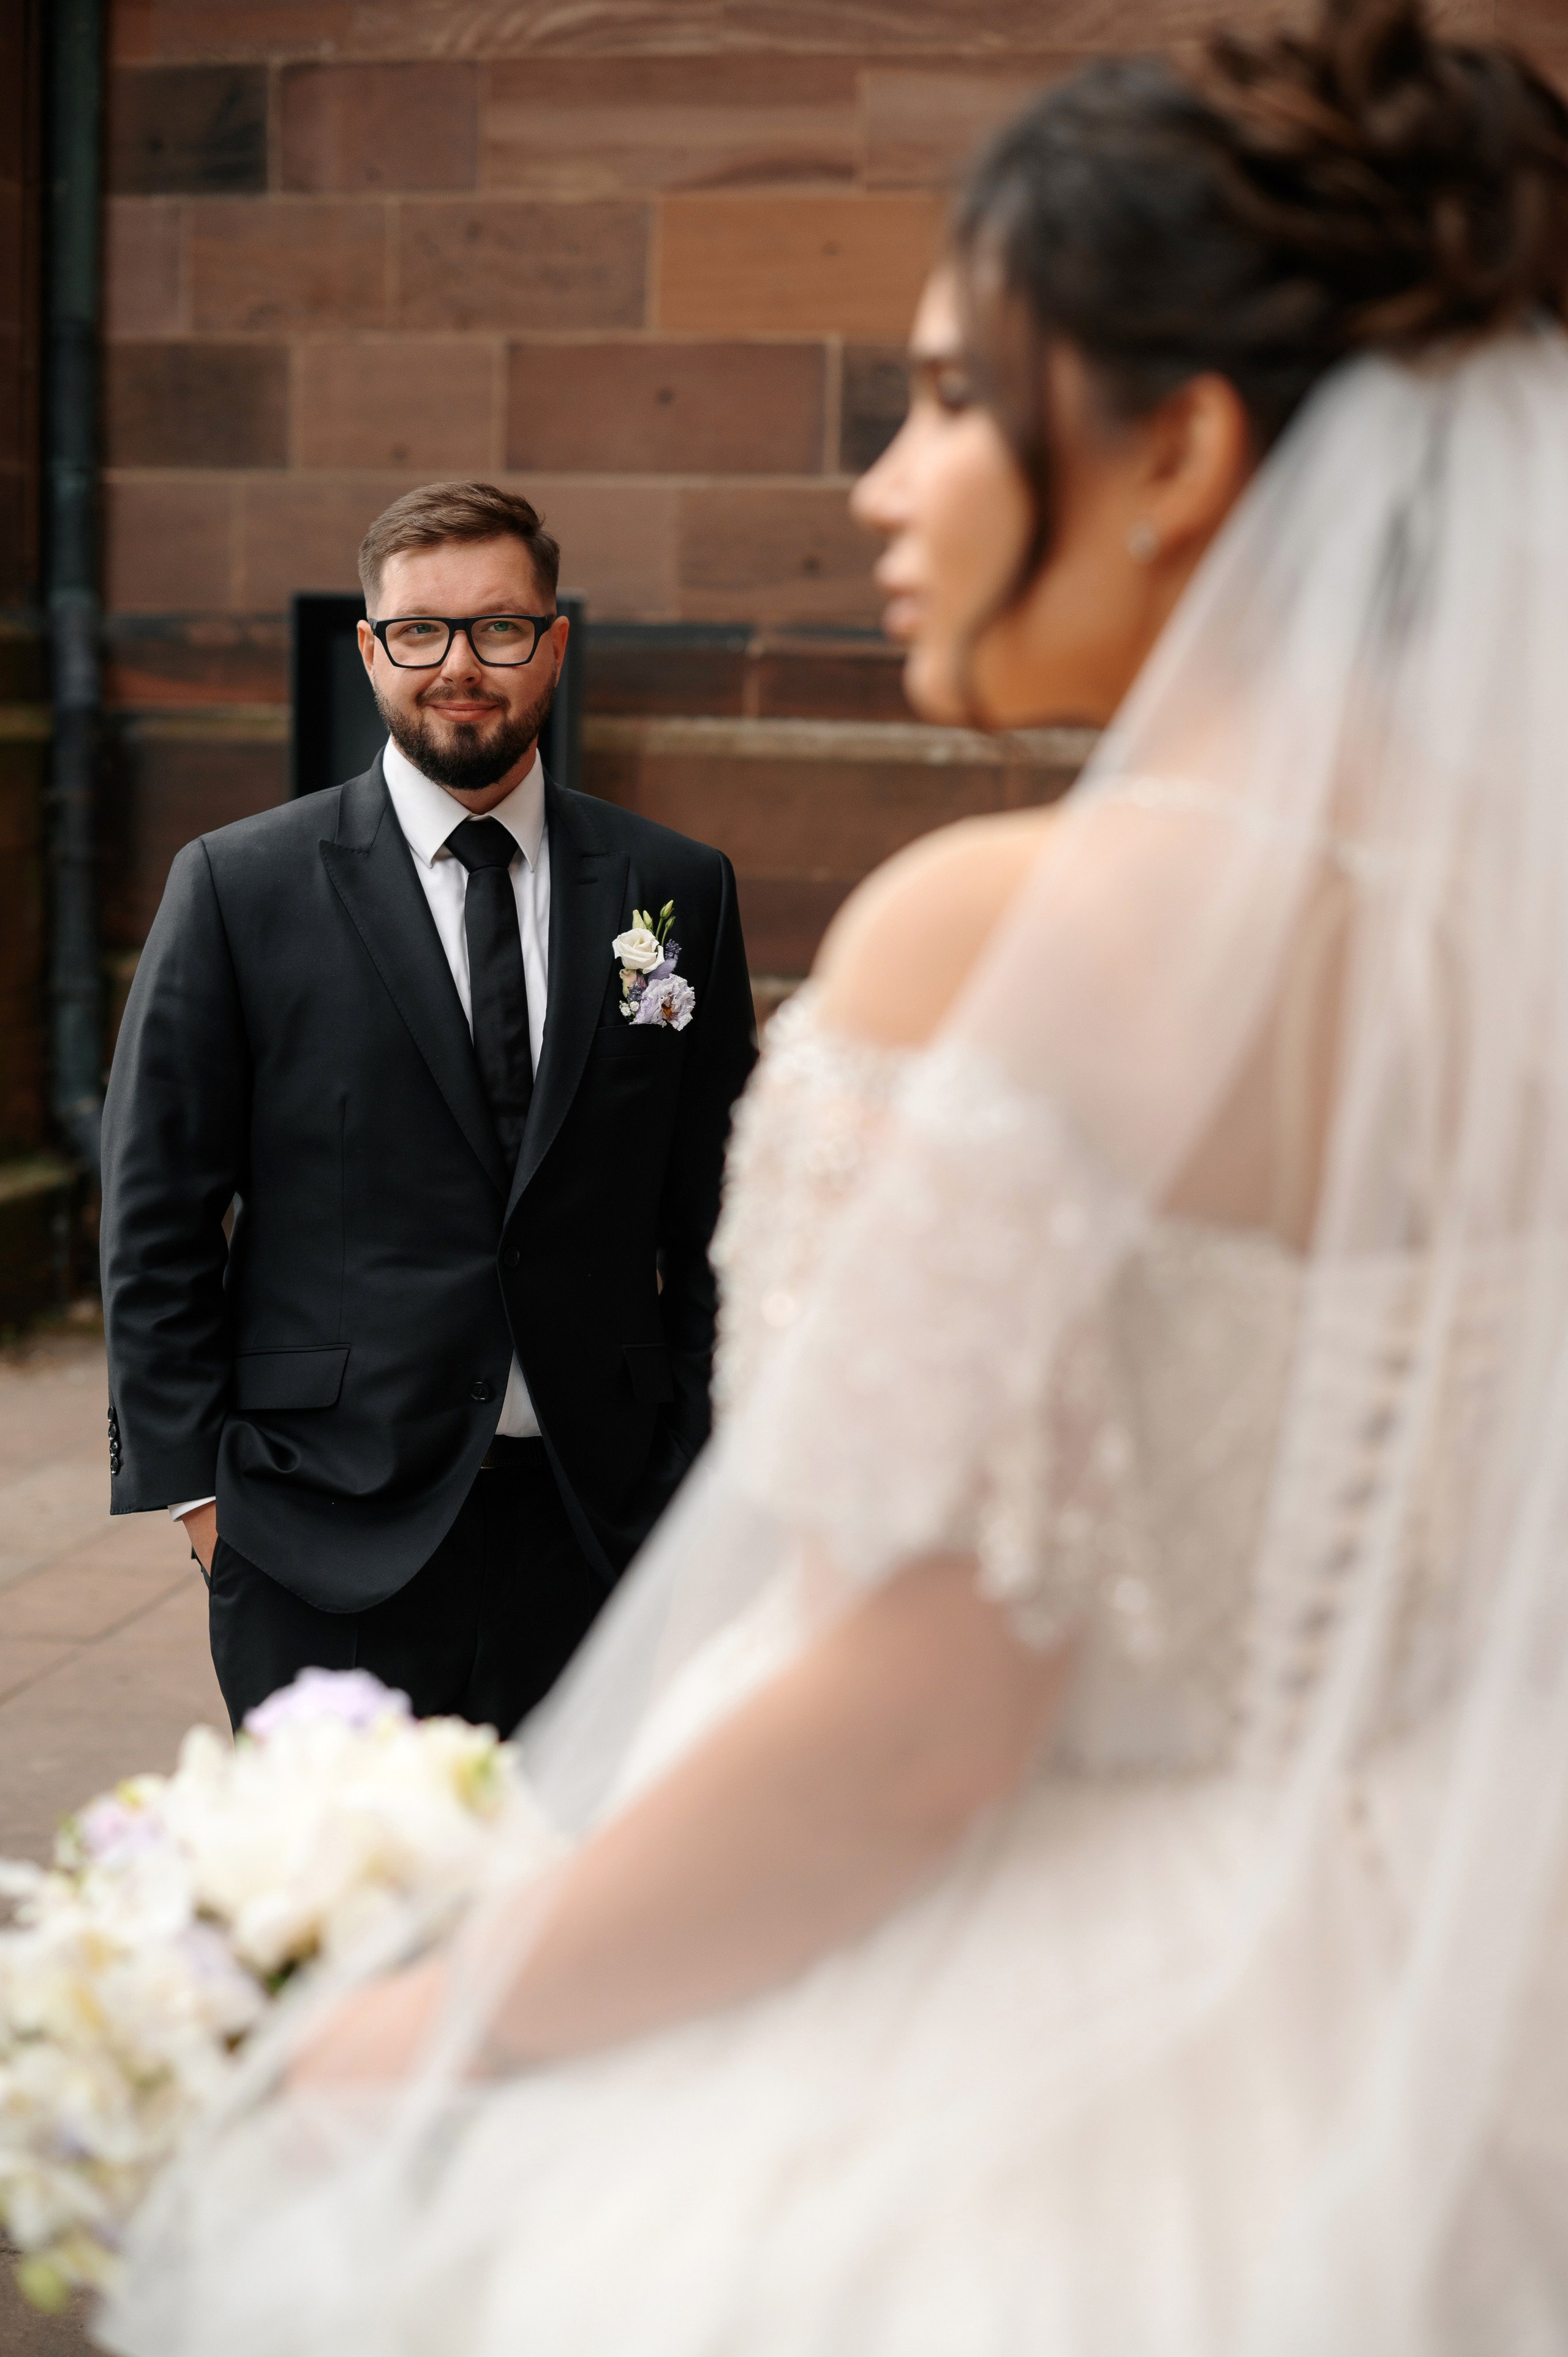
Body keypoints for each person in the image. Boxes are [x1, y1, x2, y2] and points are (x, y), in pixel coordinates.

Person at [100, 3, 1568, 2350]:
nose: (885, 485)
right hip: (1464, 1987)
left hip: (1080, 2035)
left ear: (1180, 445)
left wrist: (418, 2014)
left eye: (960, 398)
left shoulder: (1021, 927)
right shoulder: (1513, 944)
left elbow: (903, 1734)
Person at [99, 481, 756, 1733]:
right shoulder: (239, 888)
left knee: (566, 1912)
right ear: (369, 647)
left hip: (600, 1519)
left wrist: (695, 1463)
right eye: (421, 631)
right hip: (320, 1528)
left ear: (555, 643)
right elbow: (157, 1209)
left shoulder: (675, 889)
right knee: (346, 1915)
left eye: (500, 629)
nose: (459, 665)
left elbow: (722, 1206)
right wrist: (202, 1503)